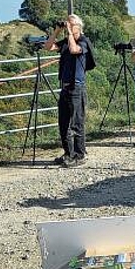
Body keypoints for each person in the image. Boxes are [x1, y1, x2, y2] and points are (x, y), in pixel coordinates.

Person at [44, 14, 93, 168]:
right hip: (65, 86)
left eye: (72, 25)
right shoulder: (66, 40)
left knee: (76, 122)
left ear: (79, 26)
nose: (68, 27)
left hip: (76, 87)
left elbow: (73, 50)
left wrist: (70, 33)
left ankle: (80, 154)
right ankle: (68, 153)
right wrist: (57, 31)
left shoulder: (84, 42)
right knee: (63, 122)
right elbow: (48, 47)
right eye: (68, 25)